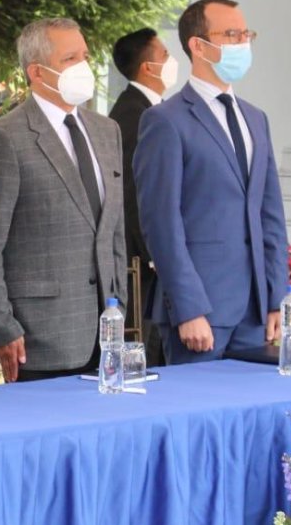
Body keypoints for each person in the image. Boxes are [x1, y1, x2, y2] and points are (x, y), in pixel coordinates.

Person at [0, 17, 127, 382]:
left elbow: (114, 229)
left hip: (106, 335)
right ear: (37, 71)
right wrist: (2, 326)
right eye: (70, 59)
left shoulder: (106, 131)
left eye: (85, 55)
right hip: (37, 340)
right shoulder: (5, 137)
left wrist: (120, 306)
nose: (83, 66)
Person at [133, 0, 288, 364]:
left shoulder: (255, 118)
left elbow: (271, 215)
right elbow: (161, 224)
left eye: (246, 34)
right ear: (198, 45)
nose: (242, 43)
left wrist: (275, 296)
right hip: (201, 313)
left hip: (255, 311)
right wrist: (187, 308)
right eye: (231, 34)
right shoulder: (166, 121)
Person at [108, 27, 174, 367]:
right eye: (164, 55)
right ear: (147, 67)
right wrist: (155, 252)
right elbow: (133, 191)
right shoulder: (134, 115)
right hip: (143, 263)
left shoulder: (155, 110)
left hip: (156, 258)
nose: (171, 61)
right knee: (145, 349)